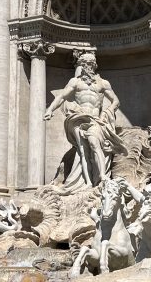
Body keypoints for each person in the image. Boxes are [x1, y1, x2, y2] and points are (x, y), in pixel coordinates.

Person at [44, 51, 125, 191]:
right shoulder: (75, 82)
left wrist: (107, 112)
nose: (87, 66)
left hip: (95, 120)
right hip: (78, 118)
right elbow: (62, 97)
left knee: (94, 144)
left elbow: (116, 101)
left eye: (90, 63)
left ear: (94, 65)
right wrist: (50, 110)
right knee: (82, 150)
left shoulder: (103, 83)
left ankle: (102, 177)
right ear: (80, 65)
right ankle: (87, 182)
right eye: (84, 63)